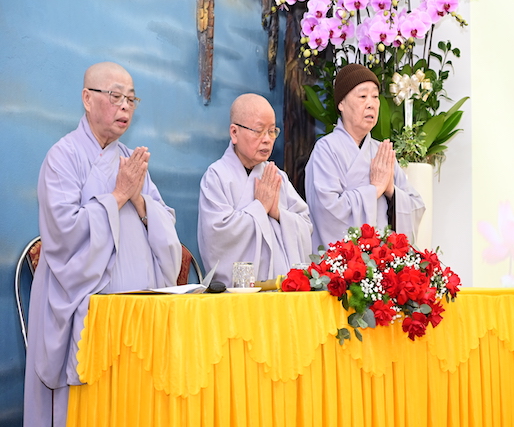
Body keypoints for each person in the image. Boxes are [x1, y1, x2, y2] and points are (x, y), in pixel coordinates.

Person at [24, 62, 182, 427]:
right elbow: (63, 233)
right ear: (87, 99)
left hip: (137, 312)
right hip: (87, 310)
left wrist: (139, 201)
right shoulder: (62, 157)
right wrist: (118, 196)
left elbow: (164, 223)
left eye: (131, 99)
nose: (125, 106)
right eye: (115, 96)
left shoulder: (130, 159)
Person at [305, 63, 425, 251]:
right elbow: (327, 210)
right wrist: (375, 189)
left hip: (383, 262)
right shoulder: (326, 149)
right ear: (341, 104)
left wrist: (390, 190)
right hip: (342, 262)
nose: (371, 104)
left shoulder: (381, 151)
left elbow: (416, 206)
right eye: (362, 96)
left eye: (375, 97)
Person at [197, 93, 312, 286]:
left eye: (272, 131)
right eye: (259, 131)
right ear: (234, 133)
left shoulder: (277, 176)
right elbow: (217, 237)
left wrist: (278, 214)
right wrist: (260, 207)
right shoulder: (217, 176)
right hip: (237, 295)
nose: (267, 139)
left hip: (280, 291)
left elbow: (306, 226)